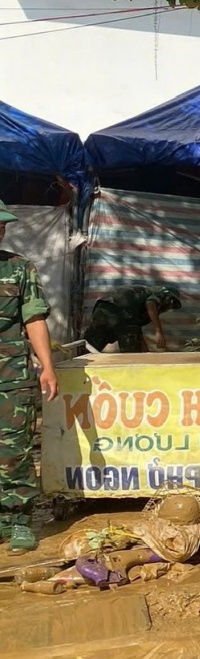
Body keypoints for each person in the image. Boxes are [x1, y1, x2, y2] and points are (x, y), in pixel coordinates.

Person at [0, 201, 59, 553]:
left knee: (14, 451)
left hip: (11, 375)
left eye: (2, 225)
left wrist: (47, 365)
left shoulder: (19, 269)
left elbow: (33, 319)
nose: (0, 230)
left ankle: (18, 518)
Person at [83, 285, 182, 353]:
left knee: (88, 348)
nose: (169, 308)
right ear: (170, 300)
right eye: (172, 305)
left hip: (102, 310)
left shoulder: (139, 301)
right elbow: (150, 303)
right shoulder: (160, 293)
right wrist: (159, 332)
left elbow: (137, 333)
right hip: (120, 314)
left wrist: (147, 355)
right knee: (131, 357)